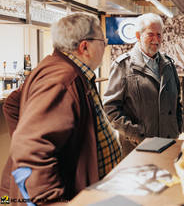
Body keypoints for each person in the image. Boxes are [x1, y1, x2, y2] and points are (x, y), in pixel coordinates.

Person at [0, 13, 122, 204]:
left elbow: (13, 104)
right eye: (103, 42)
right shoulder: (63, 80)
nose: (104, 47)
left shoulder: (60, 68)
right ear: (85, 47)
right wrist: (50, 200)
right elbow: (30, 147)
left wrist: (23, 130)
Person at [103, 13, 183, 157]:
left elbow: (177, 100)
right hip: (137, 146)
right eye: (150, 34)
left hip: (168, 142)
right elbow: (110, 109)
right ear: (138, 36)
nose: (156, 40)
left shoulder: (169, 65)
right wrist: (136, 134)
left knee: (166, 178)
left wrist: (177, 128)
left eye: (159, 35)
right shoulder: (123, 66)